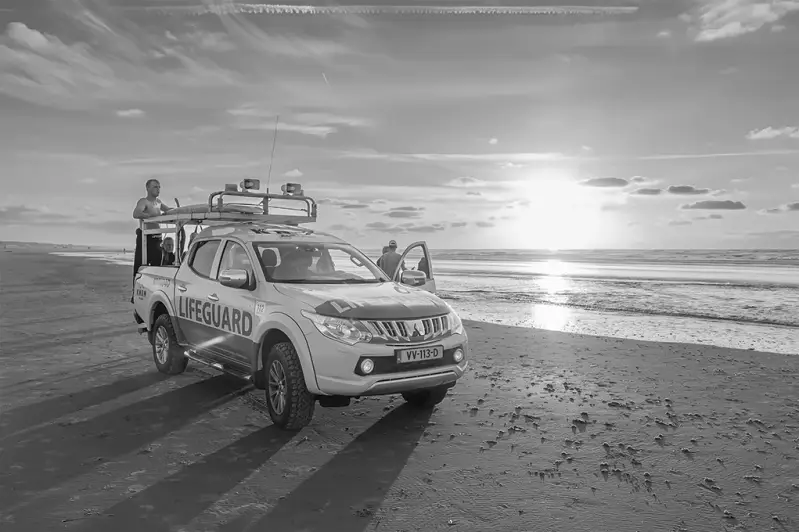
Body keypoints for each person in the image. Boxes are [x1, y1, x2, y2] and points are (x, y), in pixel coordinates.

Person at [131, 179, 172, 301]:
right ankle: (135, 293)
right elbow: (136, 213)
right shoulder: (144, 201)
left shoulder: (158, 202)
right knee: (140, 266)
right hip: (146, 238)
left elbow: (169, 210)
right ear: (148, 188)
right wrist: (152, 217)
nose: (158, 189)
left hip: (157, 239)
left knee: (156, 267)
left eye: (159, 187)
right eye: (155, 187)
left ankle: (153, 293)